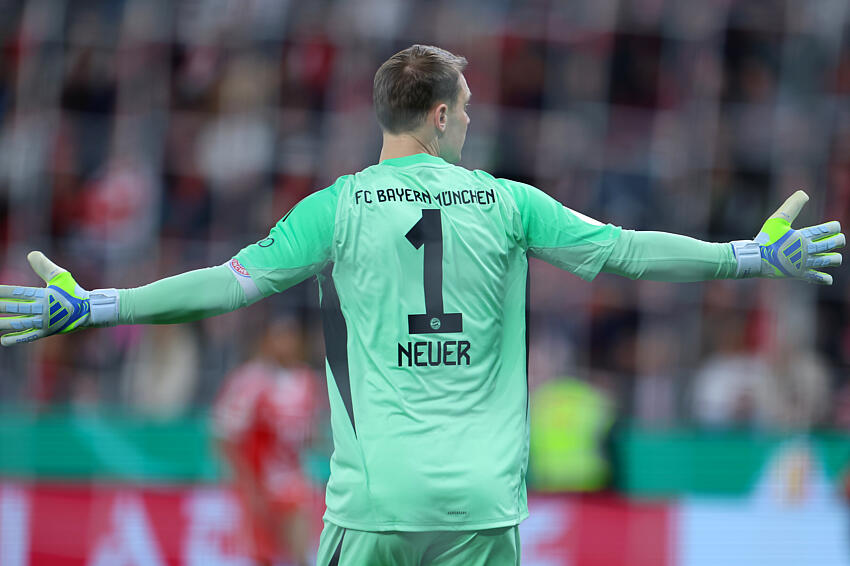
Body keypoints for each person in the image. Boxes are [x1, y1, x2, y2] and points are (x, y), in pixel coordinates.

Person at [0, 45, 844, 565]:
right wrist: (746, 257)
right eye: (465, 110)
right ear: (440, 116)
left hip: (378, 505)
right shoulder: (509, 202)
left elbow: (226, 284)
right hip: (480, 506)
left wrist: (99, 306)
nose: (469, 123)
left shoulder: (335, 208)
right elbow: (627, 250)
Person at [212, 318, 318, 566]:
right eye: (279, 336)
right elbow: (224, 434)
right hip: (259, 483)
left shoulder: (305, 380)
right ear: (266, 340)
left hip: (292, 481)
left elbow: (308, 434)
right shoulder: (250, 381)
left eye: (291, 337)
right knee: (262, 556)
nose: (286, 344)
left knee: (300, 553)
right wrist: (245, 482)